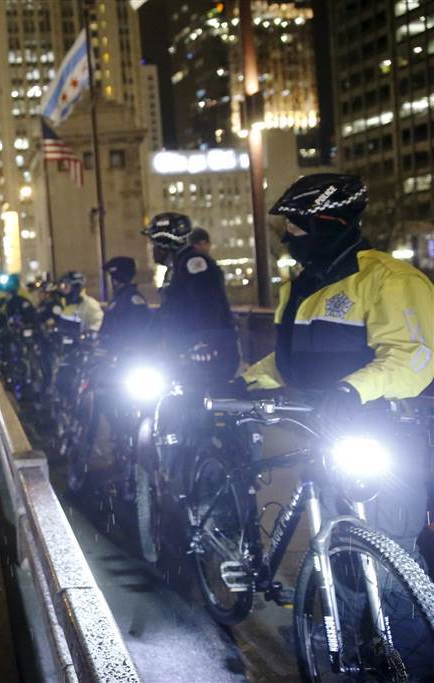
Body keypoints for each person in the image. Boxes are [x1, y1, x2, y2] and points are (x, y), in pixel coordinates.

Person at [238, 173, 434, 571]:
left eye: (295, 227)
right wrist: (245, 382)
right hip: (326, 435)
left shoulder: (388, 279)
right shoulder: (300, 287)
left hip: (387, 438)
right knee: (337, 556)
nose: (288, 238)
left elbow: (414, 356)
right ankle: (336, 631)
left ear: (326, 224)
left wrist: (351, 390)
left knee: (390, 561)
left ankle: (401, 635)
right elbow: (292, 361)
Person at [143, 212, 239, 386]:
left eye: (153, 244)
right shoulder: (176, 268)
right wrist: (142, 342)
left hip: (206, 356)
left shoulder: (193, 263)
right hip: (186, 353)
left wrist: (204, 343)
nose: (151, 250)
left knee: (201, 405)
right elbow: (168, 310)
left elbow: (208, 305)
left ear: (165, 242)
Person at [97, 257, 151, 354]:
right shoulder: (118, 299)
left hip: (126, 356)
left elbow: (139, 328)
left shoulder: (131, 298)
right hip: (112, 354)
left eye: (110, 277)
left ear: (115, 279)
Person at [55, 271, 104, 336]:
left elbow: (97, 323)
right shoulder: (62, 304)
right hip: (62, 344)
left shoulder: (90, 304)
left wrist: (91, 333)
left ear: (75, 287)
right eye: (61, 286)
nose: (62, 290)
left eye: (65, 286)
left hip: (81, 345)